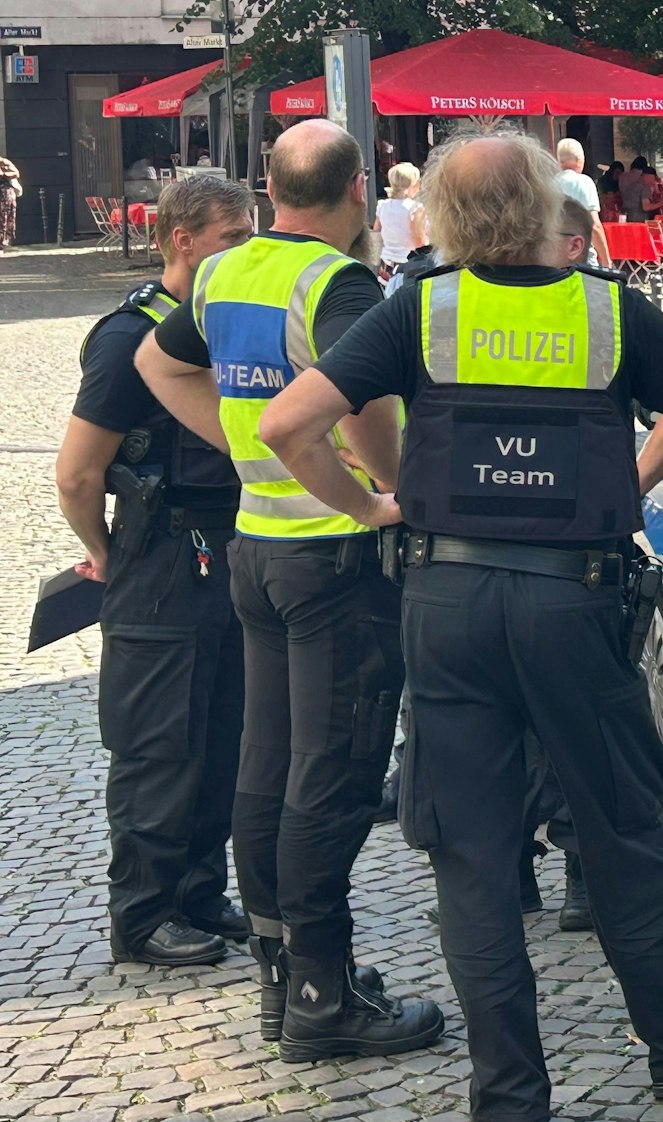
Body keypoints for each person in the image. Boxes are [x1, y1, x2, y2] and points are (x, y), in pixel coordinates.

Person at [254, 130, 663, 1122]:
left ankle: (509, 1096)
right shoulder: (611, 313)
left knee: (472, 856)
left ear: (440, 218)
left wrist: (372, 506)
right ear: (541, 208)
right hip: (575, 602)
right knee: (620, 830)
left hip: (447, 604)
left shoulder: (419, 310)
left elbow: (284, 426)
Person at [134, 118, 445, 1062]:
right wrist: (386, 498)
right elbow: (370, 404)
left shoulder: (226, 271)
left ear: (268, 193)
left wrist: (241, 443)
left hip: (256, 550)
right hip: (333, 563)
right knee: (333, 778)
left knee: (265, 767)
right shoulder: (337, 282)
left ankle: (284, 982)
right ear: (359, 196)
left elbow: (158, 359)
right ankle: (321, 994)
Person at [55, 176, 256, 967]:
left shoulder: (225, 323)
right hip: (161, 555)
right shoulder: (126, 337)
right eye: (233, 236)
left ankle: (200, 893)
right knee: (158, 744)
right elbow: (76, 473)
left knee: (222, 734)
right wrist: (104, 552)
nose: (247, 248)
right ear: (183, 240)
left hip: (227, 551)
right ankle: (142, 916)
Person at [553, 139, 611, 268]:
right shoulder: (583, 182)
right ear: (579, 160)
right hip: (580, 253)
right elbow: (594, 226)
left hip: (552, 254)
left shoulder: (549, 183)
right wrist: (607, 261)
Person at [375, 162, 426, 274]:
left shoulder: (383, 205)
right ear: (415, 184)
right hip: (408, 263)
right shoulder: (415, 208)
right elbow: (420, 240)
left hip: (386, 263)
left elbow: (377, 231)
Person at [619, 157, 651, 223]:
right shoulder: (642, 180)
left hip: (624, 208)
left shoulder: (622, 176)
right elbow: (646, 207)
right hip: (638, 215)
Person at [0, 155, 19, 251]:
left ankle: (3, 243)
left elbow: (16, 173)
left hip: (5, 195)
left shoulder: (4, 162)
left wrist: (3, 174)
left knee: (4, 218)